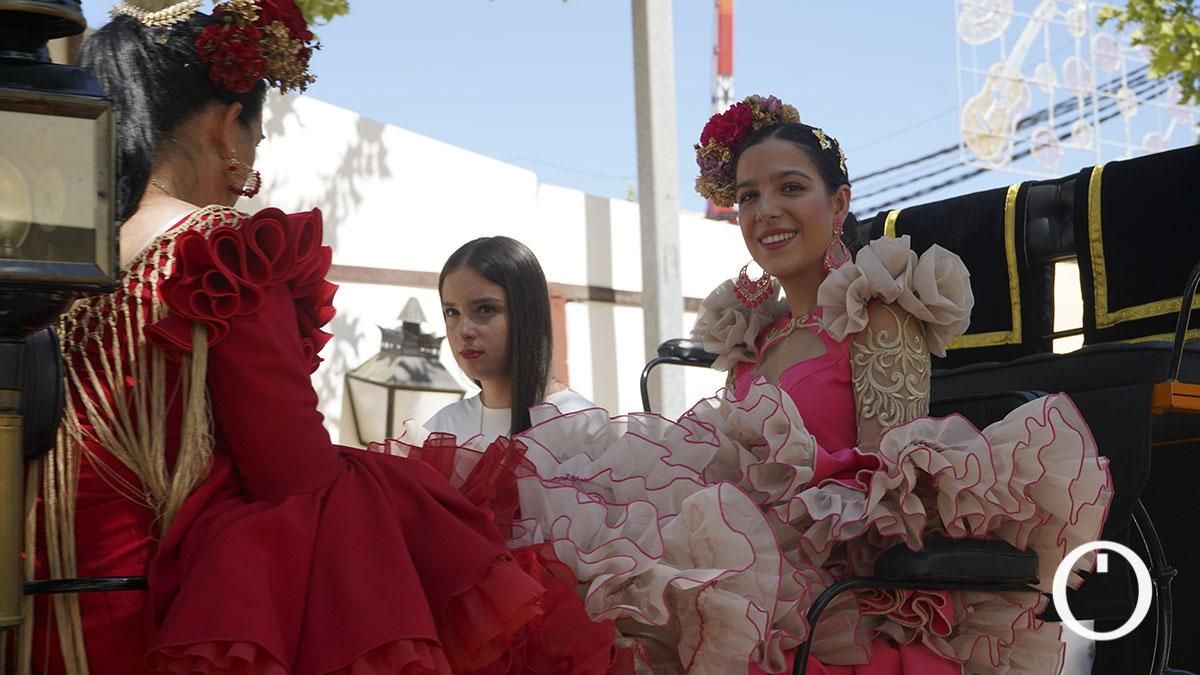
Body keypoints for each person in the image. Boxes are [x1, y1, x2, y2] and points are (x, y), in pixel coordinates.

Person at [16, 3, 617, 673]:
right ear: (224, 128)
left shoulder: (63, 263)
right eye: (257, 135)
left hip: (33, 615)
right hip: (174, 626)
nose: (250, 161)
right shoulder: (219, 250)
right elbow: (292, 470)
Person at [439, 95, 1112, 674]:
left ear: (839, 201)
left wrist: (753, 527)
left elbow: (896, 491)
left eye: (790, 188)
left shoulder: (879, 315)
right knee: (557, 547)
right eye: (750, 195)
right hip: (753, 564)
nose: (766, 211)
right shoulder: (753, 338)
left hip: (838, 587)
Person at [424, 236, 595, 443]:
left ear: (527, 313)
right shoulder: (441, 429)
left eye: (486, 309)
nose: (464, 330)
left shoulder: (578, 423)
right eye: (452, 312)